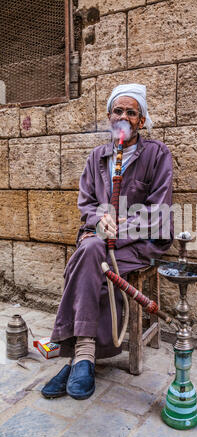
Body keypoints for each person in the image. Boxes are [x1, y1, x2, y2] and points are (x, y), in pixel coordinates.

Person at [41, 83, 174, 400]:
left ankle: (77, 354)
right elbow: (85, 205)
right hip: (99, 241)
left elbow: (159, 213)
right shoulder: (97, 157)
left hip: (140, 245)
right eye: (118, 111)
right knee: (90, 250)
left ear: (141, 121)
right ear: (109, 117)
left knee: (86, 254)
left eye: (132, 112)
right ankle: (83, 356)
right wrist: (99, 219)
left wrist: (122, 226)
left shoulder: (157, 155)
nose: (124, 117)